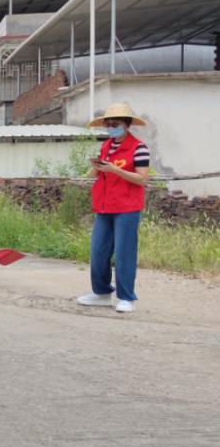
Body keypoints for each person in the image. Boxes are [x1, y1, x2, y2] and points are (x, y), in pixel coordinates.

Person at [77, 103, 151, 314]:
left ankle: (126, 297)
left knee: (124, 253)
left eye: (115, 124)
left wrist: (115, 169)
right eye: (108, 124)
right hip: (104, 206)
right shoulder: (106, 146)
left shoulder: (139, 148)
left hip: (127, 207)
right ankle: (101, 293)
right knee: (98, 251)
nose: (110, 127)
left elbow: (142, 179)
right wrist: (96, 167)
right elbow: (94, 175)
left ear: (127, 125)